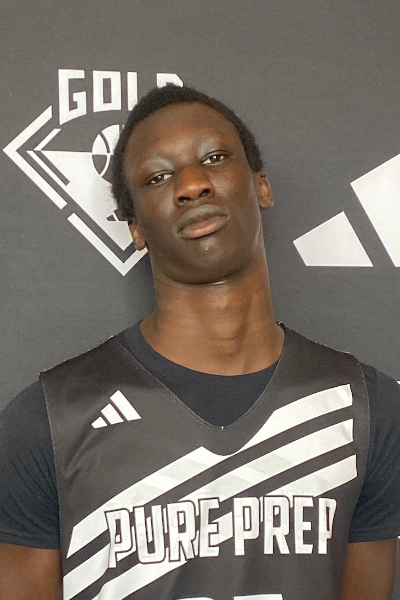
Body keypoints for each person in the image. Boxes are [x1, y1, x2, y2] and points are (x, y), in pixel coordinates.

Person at [1, 85, 400, 600]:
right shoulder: (51, 420)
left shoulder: (367, 408)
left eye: (214, 158)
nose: (191, 185)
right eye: (158, 177)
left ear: (261, 186)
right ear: (135, 227)